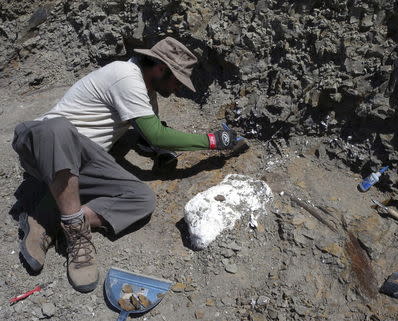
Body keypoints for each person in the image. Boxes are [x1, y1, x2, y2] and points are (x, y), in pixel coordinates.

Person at [12, 37, 238, 293]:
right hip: (42, 144)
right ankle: (72, 228)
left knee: (142, 199)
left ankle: (48, 218)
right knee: (58, 127)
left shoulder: (145, 91)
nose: (177, 89)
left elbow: (151, 133)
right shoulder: (125, 75)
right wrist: (212, 141)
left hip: (79, 161)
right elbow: (155, 134)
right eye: (177, 81)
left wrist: (162, 153)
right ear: (161, 68)